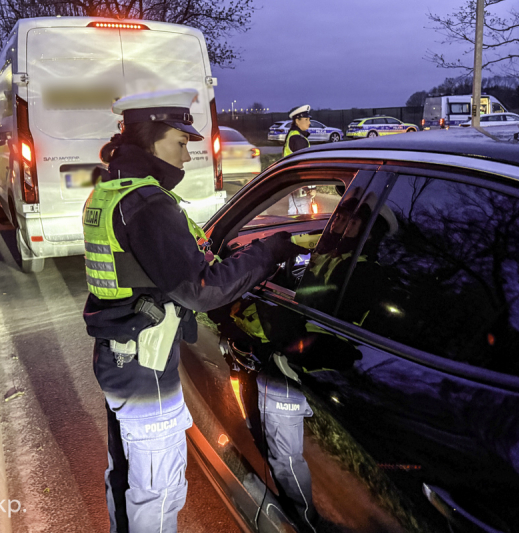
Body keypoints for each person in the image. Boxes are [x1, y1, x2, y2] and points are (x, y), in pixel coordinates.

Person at [82, 88, 306, 533]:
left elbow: (161, 264)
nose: (188, 154)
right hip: (146, 367)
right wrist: (273, 250)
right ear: (152, 139)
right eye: (181, 142)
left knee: (126, 475)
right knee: (159, 490)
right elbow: (200, 290)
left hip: (119, 356)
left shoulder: (112, 190)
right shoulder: (147, 202)